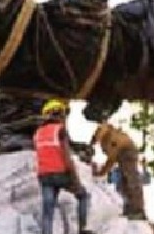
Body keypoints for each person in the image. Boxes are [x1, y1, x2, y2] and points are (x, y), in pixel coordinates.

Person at [34, 99, 92, 234]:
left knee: (48, 210)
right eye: (63, 114)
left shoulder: (37, 133)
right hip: (60, 174)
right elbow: (66, 157)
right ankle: (82, 230)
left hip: (44, 176)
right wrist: (75, 179)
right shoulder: (60, 130)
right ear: (58, 114)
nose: (64, 117)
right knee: (83, 196)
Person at [90, 121, 146, 220]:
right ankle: (130, 208)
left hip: (127, 152)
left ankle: (138, 210)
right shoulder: (109, 138)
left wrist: (101, 172)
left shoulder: (109, 136)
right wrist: (101, 172)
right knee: (124, 183)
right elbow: (112, 159)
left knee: (131, 181)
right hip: (124, 154)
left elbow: (111, 159)